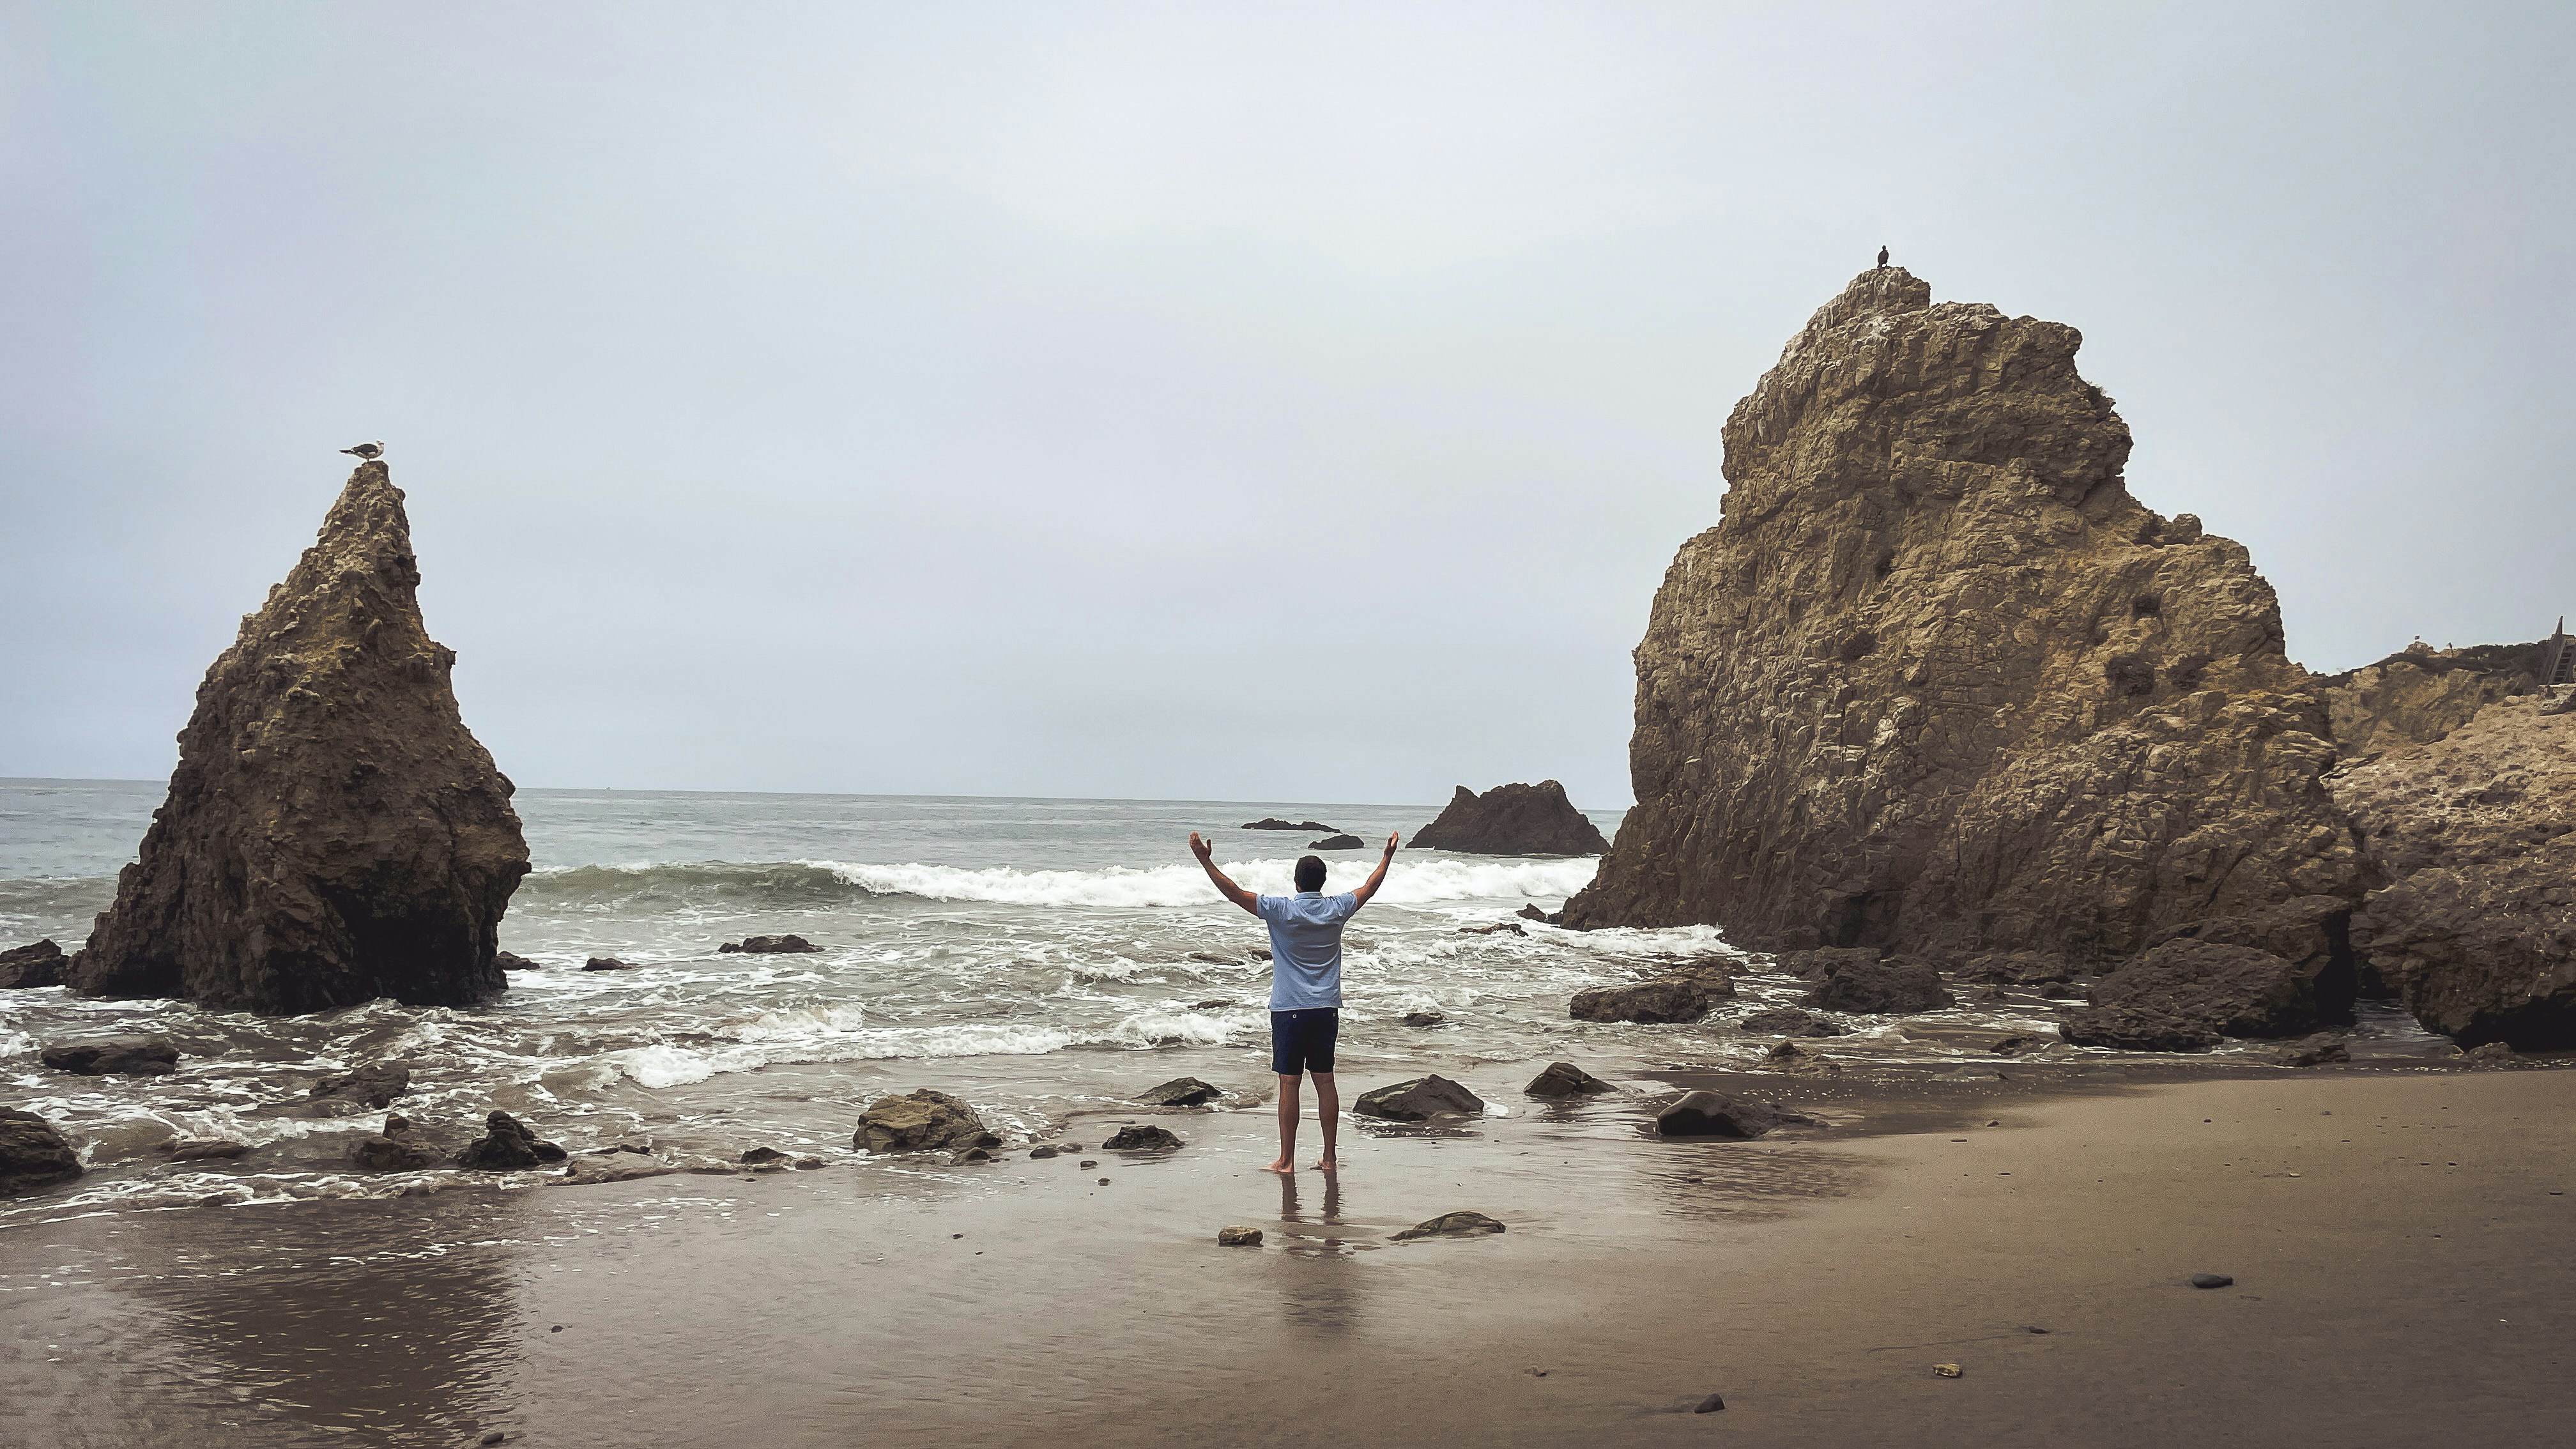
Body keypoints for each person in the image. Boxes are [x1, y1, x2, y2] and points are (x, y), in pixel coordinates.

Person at [1187, 829, 1398, 1172]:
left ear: (1296, 881)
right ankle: (1329, 1158)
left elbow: (1234, 893)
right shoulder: (1337, 908)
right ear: (1323, 881)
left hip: (1289, 1009)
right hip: (1326, 1008)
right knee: (1325, 1080)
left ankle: (1287, 1160)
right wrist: (1387, 857)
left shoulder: (1279, 909)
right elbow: (1369, 888)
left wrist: (1205, 860)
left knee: (1290, 1083)